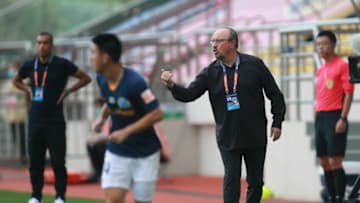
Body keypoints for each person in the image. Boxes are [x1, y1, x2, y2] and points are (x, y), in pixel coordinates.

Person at [161, 27, 286, 203]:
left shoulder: (255, 65)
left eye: (219, 41)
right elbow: (189, 94)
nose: (213, 45)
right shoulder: (210, 72)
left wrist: (277, 121)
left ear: (233, 44)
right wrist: (172, 85)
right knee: (231, 180)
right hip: (228, 135)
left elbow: (275, 94)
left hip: (255, 134)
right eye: (212, 41)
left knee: (256, 182)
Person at [12, 32, 91, 203]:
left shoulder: (61, 64)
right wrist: (28, 90)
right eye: (39, 43)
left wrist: (69, 91)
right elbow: (16, 80)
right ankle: (35, 196)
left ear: (51, 45)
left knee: (57, 162)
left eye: (45, 43)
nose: (42, 46)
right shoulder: (29, 66)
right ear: (36, 45)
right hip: (35, 120)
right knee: (35, 162)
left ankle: (60, 197)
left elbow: (86, 77)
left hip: (55, 121)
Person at [90, 33, 163, 203]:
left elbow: (157, 113)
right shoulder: (101, 78)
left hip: (145, 153)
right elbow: (111, 99)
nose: (91, 57)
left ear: (105, 57)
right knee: (113, 199)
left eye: (93, 53)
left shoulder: (135, 83)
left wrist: (126, 132)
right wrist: (101, 118)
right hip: (118, 151)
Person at [315, 30, 355, 203]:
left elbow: (348, 93)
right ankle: (331, 197)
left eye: (324, 44)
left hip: (335, 115)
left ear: (333, 45)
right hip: (320, 117)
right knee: (324, 161)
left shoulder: (342, 65)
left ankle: (339, 198)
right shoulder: (321, 69)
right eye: (318, 44)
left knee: (335, 160)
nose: (321, 47)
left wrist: (343, 118)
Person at [4, 61, 28, 165]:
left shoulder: (25, 81)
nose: (12, 71)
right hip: (11, 115)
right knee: (15, 138)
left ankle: (23, 157)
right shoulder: (8, 83)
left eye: (13, 69)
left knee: (23, 138)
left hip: (21, 115)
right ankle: (18, 157)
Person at [86, 97, 109, 183]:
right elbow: (95, 129)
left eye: (99, 106)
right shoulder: (99, 117)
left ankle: (103, 172)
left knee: (100, 145)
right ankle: (98, 172)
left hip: (109, 140)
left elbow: (108, 133)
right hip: (102, 139)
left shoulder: (110, 117)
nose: (98, 108)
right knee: (91, 145)